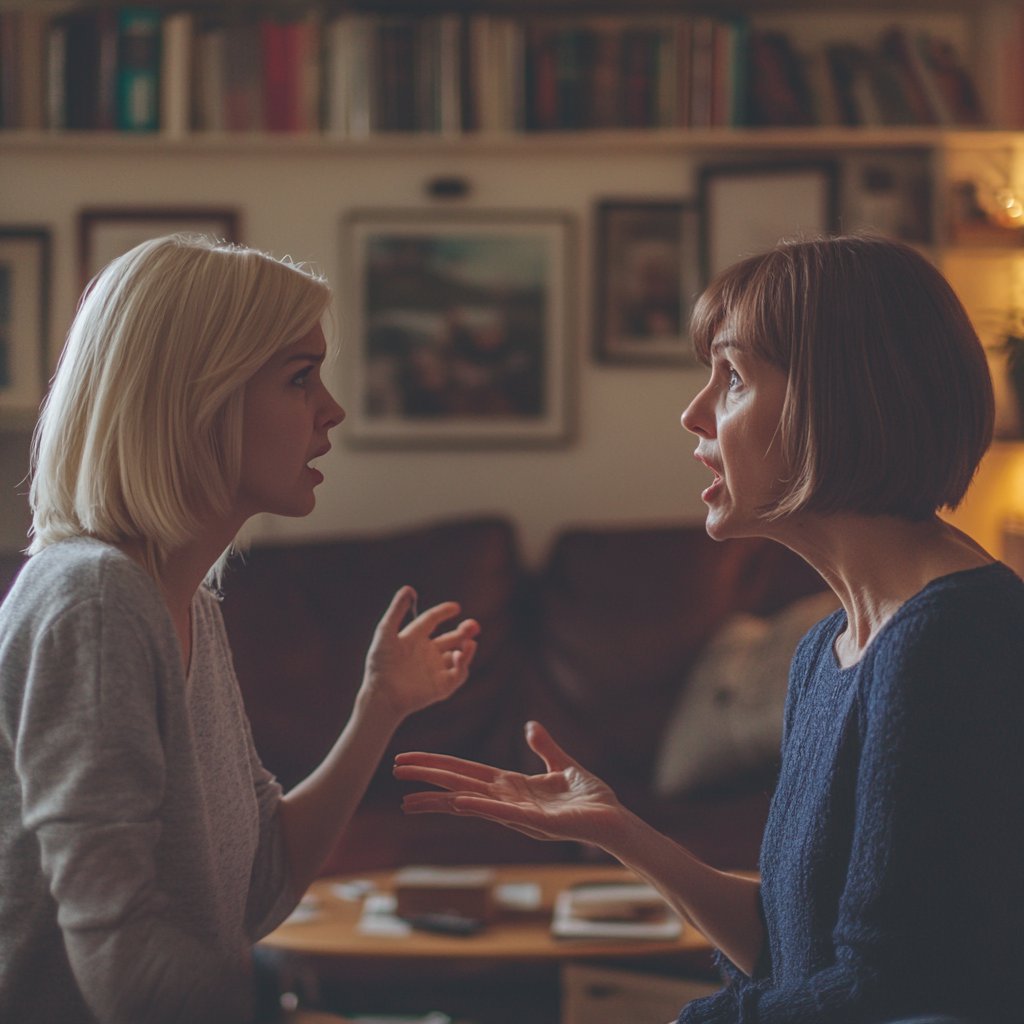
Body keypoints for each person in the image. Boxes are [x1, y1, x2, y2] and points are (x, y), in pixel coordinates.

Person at [395, 235, 1024, 1024]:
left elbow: (879, 993)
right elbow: (794, 949)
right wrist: (619, 831)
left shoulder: (954, 641)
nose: (693, 414)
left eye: (730, 377)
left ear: (835, 398)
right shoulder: (826, 653)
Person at [0, 234, 480, 1024]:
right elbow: (115, 954)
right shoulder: (92, 601)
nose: (332, 410)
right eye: (300, 378)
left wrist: (378, 709)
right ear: (192, 400)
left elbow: (258, 889)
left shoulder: (187, 606)